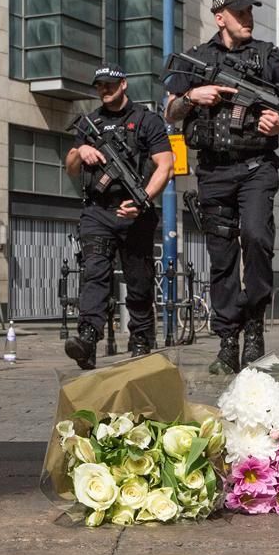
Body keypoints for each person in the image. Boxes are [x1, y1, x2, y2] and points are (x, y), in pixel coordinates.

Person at [163, 0, 279, 375]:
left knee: (257, 237)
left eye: (250, 11)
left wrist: (278, 120)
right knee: (222, 257)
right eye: (239, 12)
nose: (247, 17)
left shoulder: (269, 56)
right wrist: (193, 95)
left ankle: (254, 325)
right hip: (213, 171)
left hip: (257, 166)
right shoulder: (195, 59)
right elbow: (171, 111)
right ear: (219, 16)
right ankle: (228, 340)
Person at [64, 64, 174, 370]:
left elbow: (165, 164)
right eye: (99, 85)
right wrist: (81, 150)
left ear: (123, 84)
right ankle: (87, 337)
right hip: (98, 211)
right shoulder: (89, 123)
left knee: (139, 279)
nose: (104, 89)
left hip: (136, 212)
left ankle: (141, 338)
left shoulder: (146, 121)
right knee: (94, 273)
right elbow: (71, 167)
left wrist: (144, 200)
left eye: (109, 84)